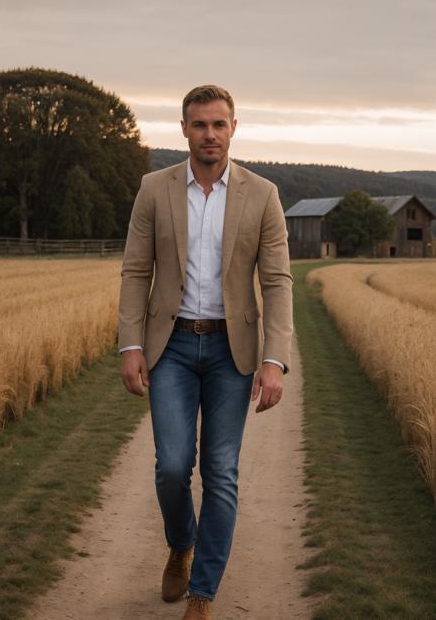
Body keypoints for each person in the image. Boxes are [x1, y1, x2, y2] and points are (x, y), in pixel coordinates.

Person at [118, 85, 293, 620]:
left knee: (220, 472)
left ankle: (203, 591)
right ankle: (180, 542)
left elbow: (278, 281)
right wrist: (130, 344)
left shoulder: (262, 194)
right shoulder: (154, 188)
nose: (209, 134)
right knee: (172, 466)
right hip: (168, 347)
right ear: (185, 130)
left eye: (219, 124)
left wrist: (274, 358)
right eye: (199, 125)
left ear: (233, 128)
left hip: (231, 352)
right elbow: (135, 270)